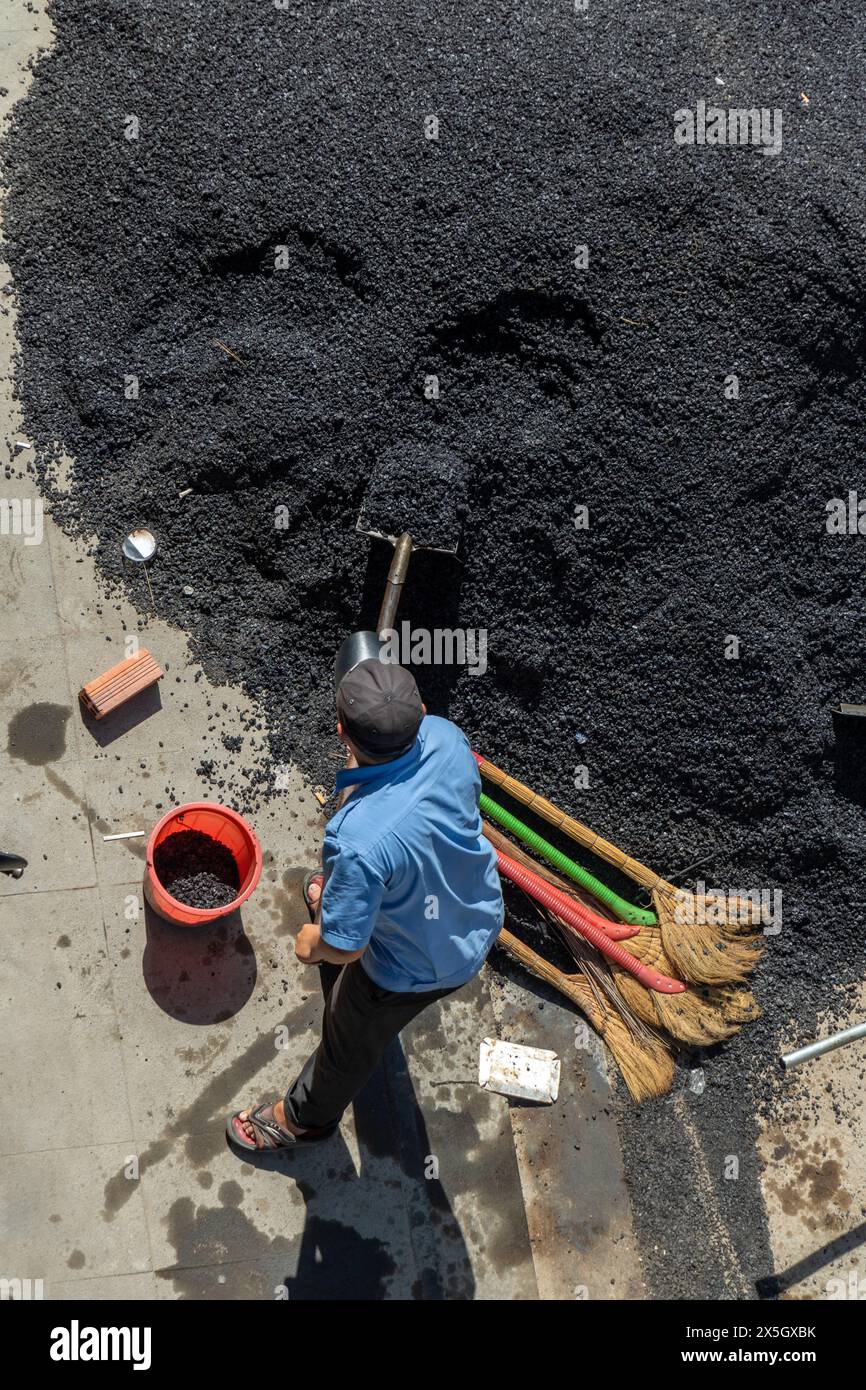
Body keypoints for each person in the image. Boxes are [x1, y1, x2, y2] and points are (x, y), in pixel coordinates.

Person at [227, 656, 503, 1150]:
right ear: (420, 709)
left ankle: (303, 1120)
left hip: (414, 966)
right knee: (353, 892)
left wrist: (316, 942)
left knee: (346, 1042)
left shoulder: (358, 840)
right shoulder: (446, 736)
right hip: (476, 908)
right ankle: (348, 903)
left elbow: (346, 951)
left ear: (341, 733)